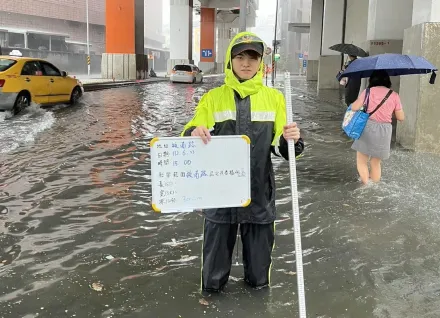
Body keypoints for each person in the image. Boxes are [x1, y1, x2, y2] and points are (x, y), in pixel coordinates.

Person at [181, 32, 305, 292]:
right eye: (240, 56)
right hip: (219, 198)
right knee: (212, 282)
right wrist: (193, 133)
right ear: (230, 60)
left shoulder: (276, 99)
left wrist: (291, 139)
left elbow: (284, 151)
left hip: (260, 196)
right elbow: (189, 133)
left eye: (253, 57)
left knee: (259, 281)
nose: (246, 62)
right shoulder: (212, 98)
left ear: (261, 62)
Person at [350, 70, 405, 184]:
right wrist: (389, 111)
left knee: (362, 160)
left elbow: (355, 108)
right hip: (385, 130)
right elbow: (401, 117)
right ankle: (374, 186)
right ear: (387, 81)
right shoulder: (394, 95)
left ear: (372, 80)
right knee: (375, 162)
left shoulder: (368, 92)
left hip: (368, 127)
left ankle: (365, 185)